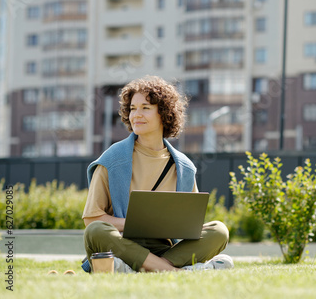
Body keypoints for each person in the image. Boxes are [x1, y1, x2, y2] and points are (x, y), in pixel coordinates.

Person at [81, 75, 233, 273]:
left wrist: (173, 227)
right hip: (123, 244)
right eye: (133, 109)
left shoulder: (184, 167)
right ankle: (177, 271)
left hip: (165, 249)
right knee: (96, 232)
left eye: (145, 108)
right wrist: (137, 225)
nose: (136, 115)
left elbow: (190, 225)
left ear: (164, 113)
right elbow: (92, 220)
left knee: (219, 231)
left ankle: (138, 268)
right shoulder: (112, 159)